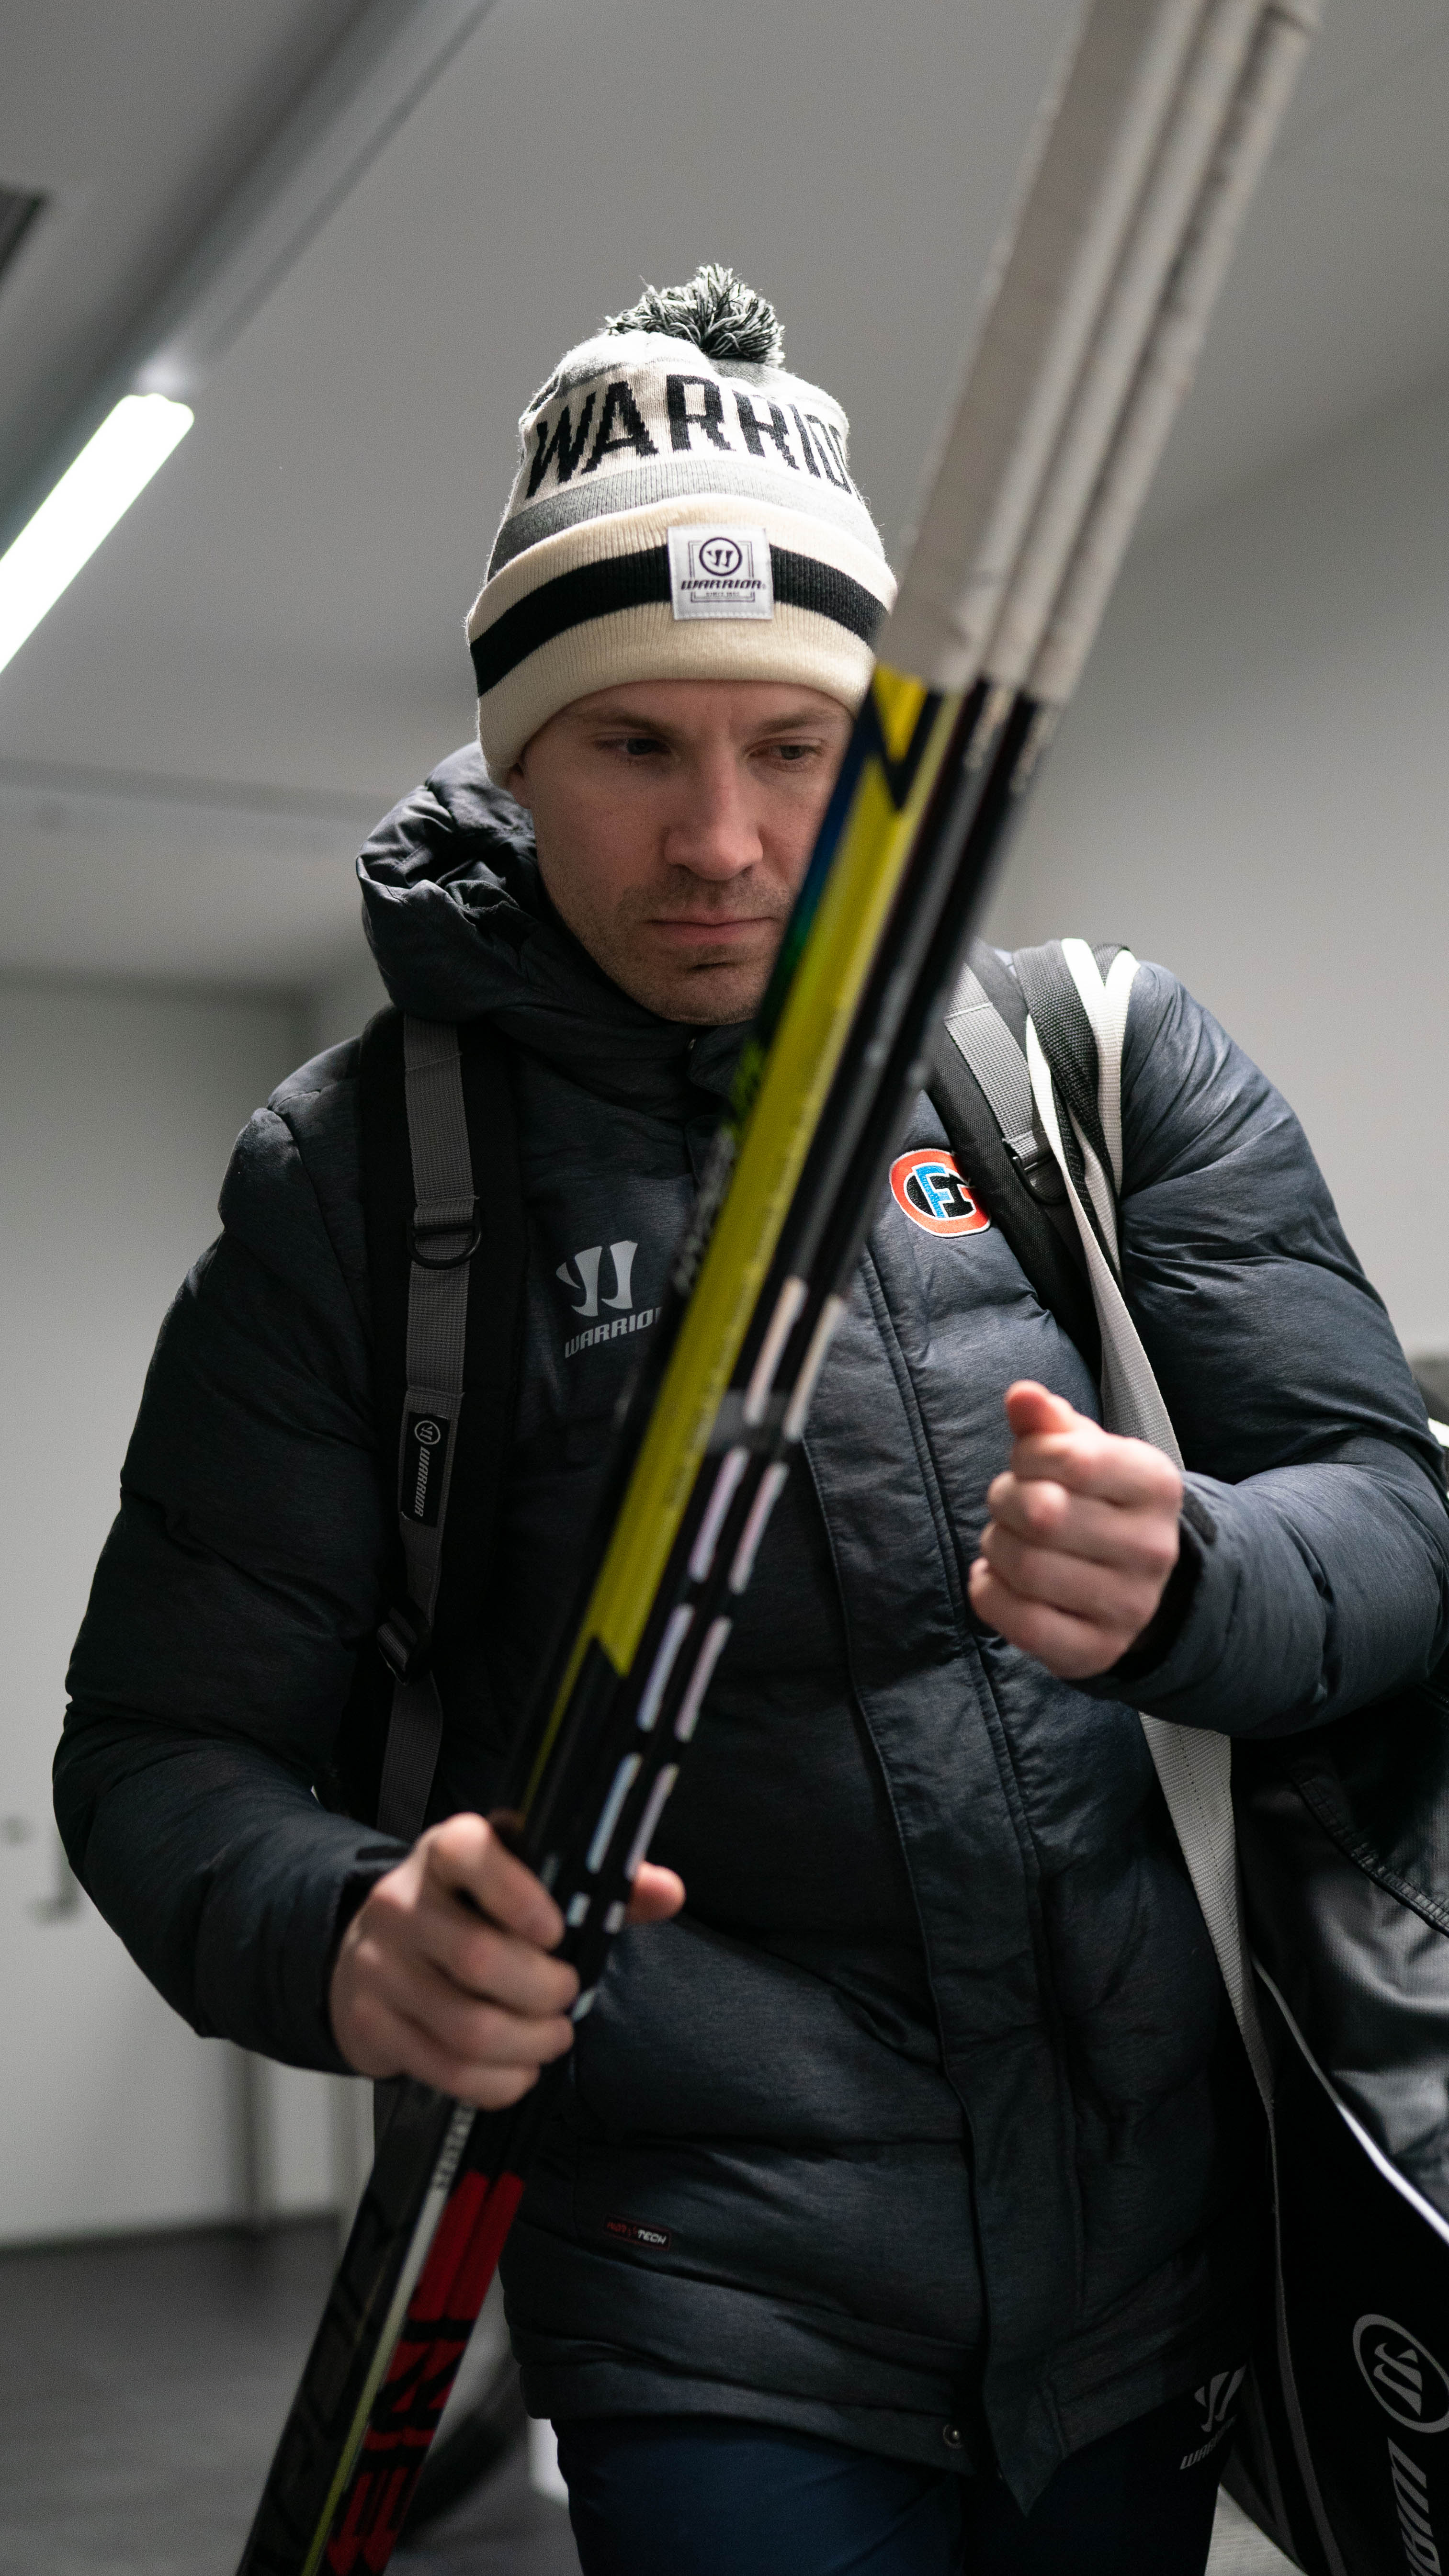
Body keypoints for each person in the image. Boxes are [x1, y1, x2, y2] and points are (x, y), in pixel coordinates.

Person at [56, 268, 1449, 2576]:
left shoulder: (1089, 1066)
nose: (716, 837)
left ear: (880, 755)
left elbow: (1392, 1524)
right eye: (633, 744)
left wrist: (1198, 1570)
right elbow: (160, 1750)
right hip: (698, 2289)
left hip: (1151, 2251)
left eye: (791, 746)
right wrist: (347, 1931)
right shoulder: (363, 1181)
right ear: (516, 755)